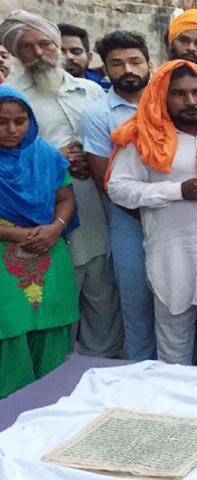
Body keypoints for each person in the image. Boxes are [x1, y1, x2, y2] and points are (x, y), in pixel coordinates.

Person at [107, 60, 197, 367]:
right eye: (179, 94)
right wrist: (177, 191)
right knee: (173, 348)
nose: (190, 101)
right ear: (162, 94)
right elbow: (117, 188)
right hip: (170, 257)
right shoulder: (142, 139)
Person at [0, 10, 122, 359]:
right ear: (15, 53)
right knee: (54, 304)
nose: (40, 53)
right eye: (28, 47)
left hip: (94, 209)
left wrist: (91, 158)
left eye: (45, 44)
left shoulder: (90, 92)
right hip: (36, 222)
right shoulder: (10, 97)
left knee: (103, 298)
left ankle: (101, 370)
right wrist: (57, 158)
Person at [79, 31, 156, 361]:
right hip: (128, 220)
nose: (128, 69)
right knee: (136, 305)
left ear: (149, 63)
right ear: (105, 69)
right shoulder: (97, 115)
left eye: (135, 61)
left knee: (178, 306)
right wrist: (153, 213)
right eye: (118, 63)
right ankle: (141, 379)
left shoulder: (168, 103)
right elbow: (105, 180)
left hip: (178, 217)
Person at [0, 84, 78, 397]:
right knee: (9, 332)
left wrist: (56, 227)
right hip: (5, 258)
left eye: (20, 121)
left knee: (50, 331)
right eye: (2, 121)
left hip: (48, 253)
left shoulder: (45, 155)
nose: (12, 129)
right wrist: (14, 233)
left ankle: (52, 410)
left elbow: (65, 198)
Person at [58, 23, 110, 90]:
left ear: (89, 57)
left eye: (76, 52)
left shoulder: (104, 87)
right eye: (61, 52)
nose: (68, 57)